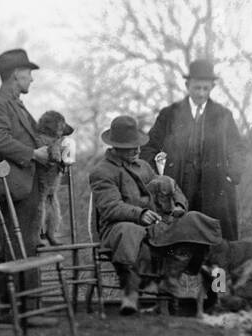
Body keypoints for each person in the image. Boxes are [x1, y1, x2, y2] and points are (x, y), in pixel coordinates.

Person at [90, 115, 222, 315]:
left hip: (154, 224)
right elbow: (110, 208)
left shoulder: (143, 166)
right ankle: (132, 292)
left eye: (137, 145)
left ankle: (171, 282)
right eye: (130, 146)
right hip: (118, 226)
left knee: (195, 221)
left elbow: (168, 185)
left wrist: (179, 205)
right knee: (130, 232)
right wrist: (139, 214)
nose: (137, 150)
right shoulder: (102, 172)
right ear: (116, 147)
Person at [0, 48, 53, 321]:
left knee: (12, 245)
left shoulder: (15, 104)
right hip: (14, 187)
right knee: (25, 245)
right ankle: (29, 310)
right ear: (15, 75)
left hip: (23, 185)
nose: (32, 79)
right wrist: (33, 154)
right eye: (28, 74)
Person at [140, 58, 243, 239]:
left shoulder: (223, 115)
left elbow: (237, 149)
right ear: (187, 85)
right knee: (181, 237)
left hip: (215, 187)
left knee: (215, 239)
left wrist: (232, 174)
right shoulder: (169, 114)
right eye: (197, 88)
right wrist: (158, 177)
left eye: (206, 88)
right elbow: (149, 147)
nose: (201, 93)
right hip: (179, 187)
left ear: (212, 87)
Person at [35, 109, 75, 248]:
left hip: (52, 187)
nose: (65, 128)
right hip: (40, 186)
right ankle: (37, 236)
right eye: (62, 125)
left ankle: (51, 234)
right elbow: (46, 153)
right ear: (52, 125)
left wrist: (65, 158)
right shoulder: (39, 140)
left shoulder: (60, 141)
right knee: (39, 209)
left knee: (54, 209)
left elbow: (66, 160)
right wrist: (55, 148)